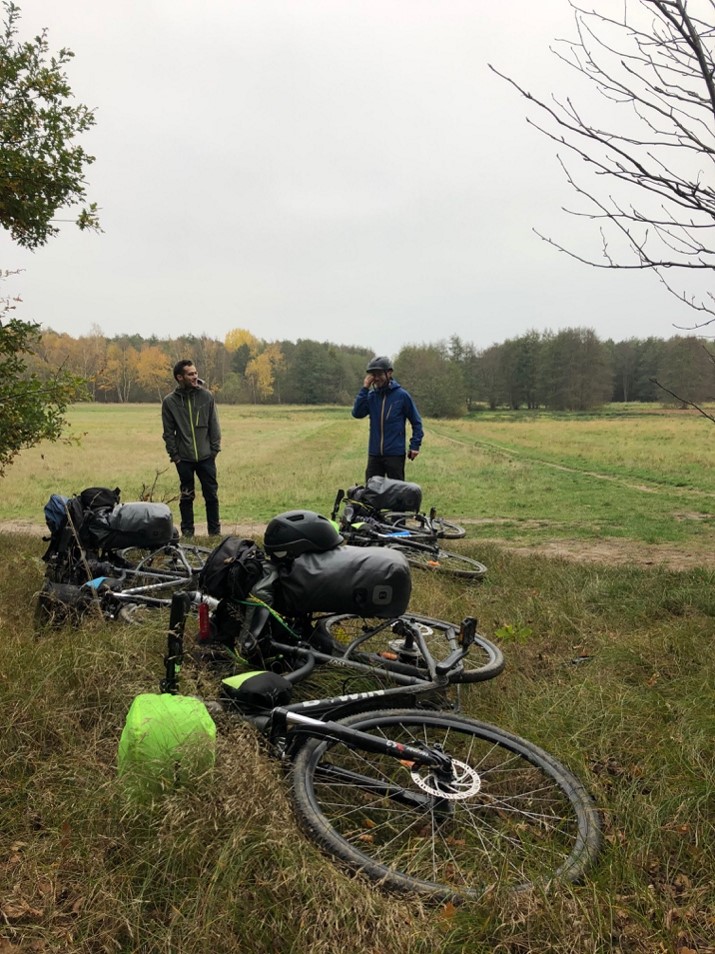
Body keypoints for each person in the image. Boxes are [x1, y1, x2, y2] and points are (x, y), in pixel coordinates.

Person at [162, 359, 222, 538]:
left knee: (211, 495)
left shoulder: (207, 397)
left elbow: (214, 425)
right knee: (187, 496)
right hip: (184, 459)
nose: (195, 376)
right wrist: (175, 456)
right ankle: (188, 533)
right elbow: (168, 432)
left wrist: (214, 451)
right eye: (190, 374)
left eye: (195, 373)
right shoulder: (170, 402)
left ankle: (214, 533)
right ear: (180, 377)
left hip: (206, 457)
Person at [351, 355, 423, 482]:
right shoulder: (371, 396)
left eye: (379, 374)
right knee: (371, 490)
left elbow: (416, 422)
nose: (376, 378)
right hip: (375, 454)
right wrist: (365, 388)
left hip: (395, 454)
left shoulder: (402, 396)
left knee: (396, 490)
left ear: (389, 373)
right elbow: (357, 413)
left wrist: (415, 445)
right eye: (373, 375)